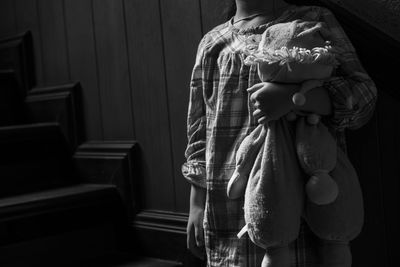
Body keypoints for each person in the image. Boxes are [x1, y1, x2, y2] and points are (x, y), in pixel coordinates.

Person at [182, 0, 377, 266]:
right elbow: (199, 129)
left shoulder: (314, 21)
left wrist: (294, 98)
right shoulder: (212, 43)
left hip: (302, 204)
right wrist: (196, 204)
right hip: (228, 204)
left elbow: (363, 96)